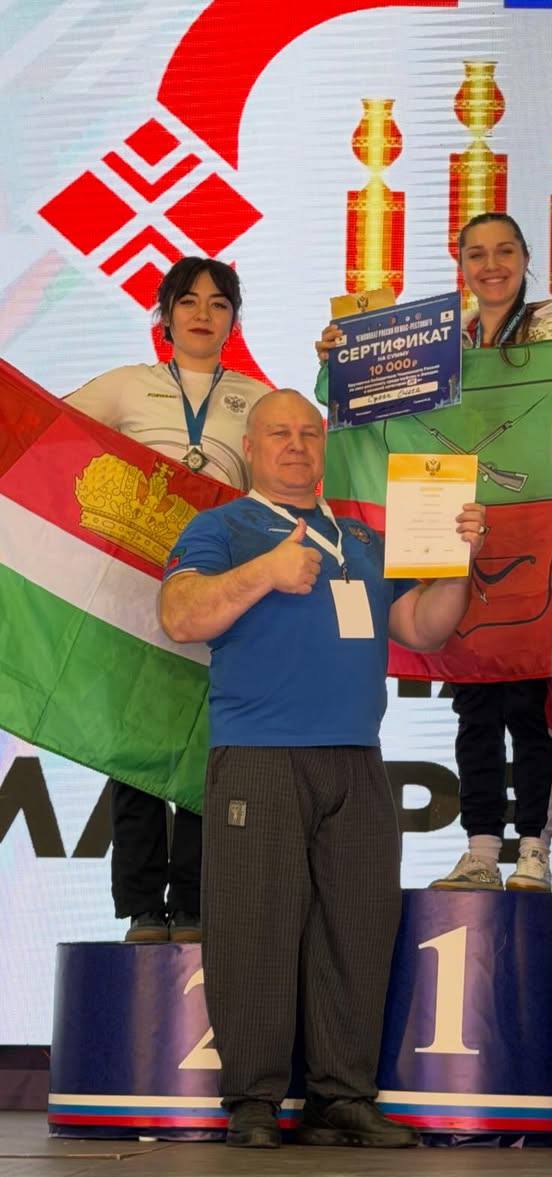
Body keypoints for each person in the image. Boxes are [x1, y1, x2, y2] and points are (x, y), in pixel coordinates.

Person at [159, 389, 487, 1149]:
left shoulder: (363, 539)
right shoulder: (222, 528)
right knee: (254, 927)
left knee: (357, 929)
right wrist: (264, 572)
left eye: (310, 432)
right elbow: (178, 615)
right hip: (259, 755)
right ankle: (252, 1100)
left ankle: (342, 1096)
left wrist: (457, 567)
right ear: (250, 446)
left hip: (357, 759)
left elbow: (421, 628)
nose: (297, 445)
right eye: (279, 432)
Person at [316, 211, 552, 896]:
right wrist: (341, 358)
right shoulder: (434, 342)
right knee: (475, 705)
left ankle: (535, 849)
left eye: (505, 251)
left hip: (537, 538)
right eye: (476, 254)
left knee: (534, 699)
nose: (491, 265)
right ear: (460, 265)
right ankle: (480, 849)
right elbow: (364, 403)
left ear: (526, 258)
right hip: (454, 536)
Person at [66, 256, 270, 943]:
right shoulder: (128, 385)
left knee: (207, 748)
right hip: (134, 596)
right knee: (137, 751)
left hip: (218, 598)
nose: (203, 314)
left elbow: (295, 471)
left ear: (234, 320)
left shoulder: (256, 400)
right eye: (188, 301)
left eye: (219, 303)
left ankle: (194, 903)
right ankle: (142, 908)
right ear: (165, 315)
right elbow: (49, 427)